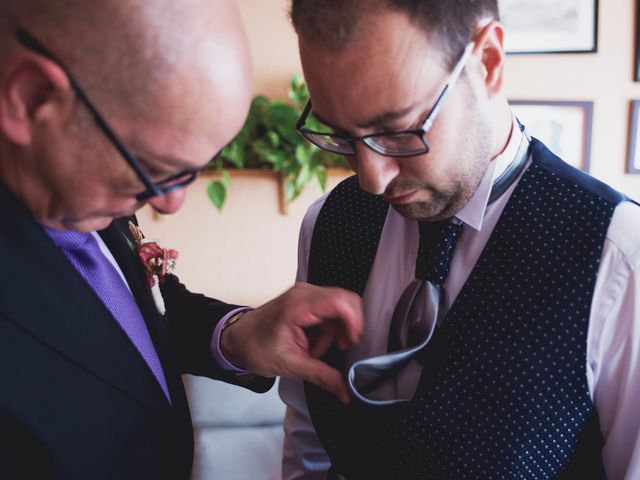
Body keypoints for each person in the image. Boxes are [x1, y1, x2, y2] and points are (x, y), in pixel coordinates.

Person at [0, 0, 365, 478]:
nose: (171, 204)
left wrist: (236, 337)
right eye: (152, 170)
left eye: (191, 171)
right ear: (32, 98)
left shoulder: (83, 190)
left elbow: (122, 325)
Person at [279, 1, 640, 479]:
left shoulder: (618, 256)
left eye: (397, 131)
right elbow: (307, 443)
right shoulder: (327, 222)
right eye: (341, 135)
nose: (371, 178)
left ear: (488, 61)